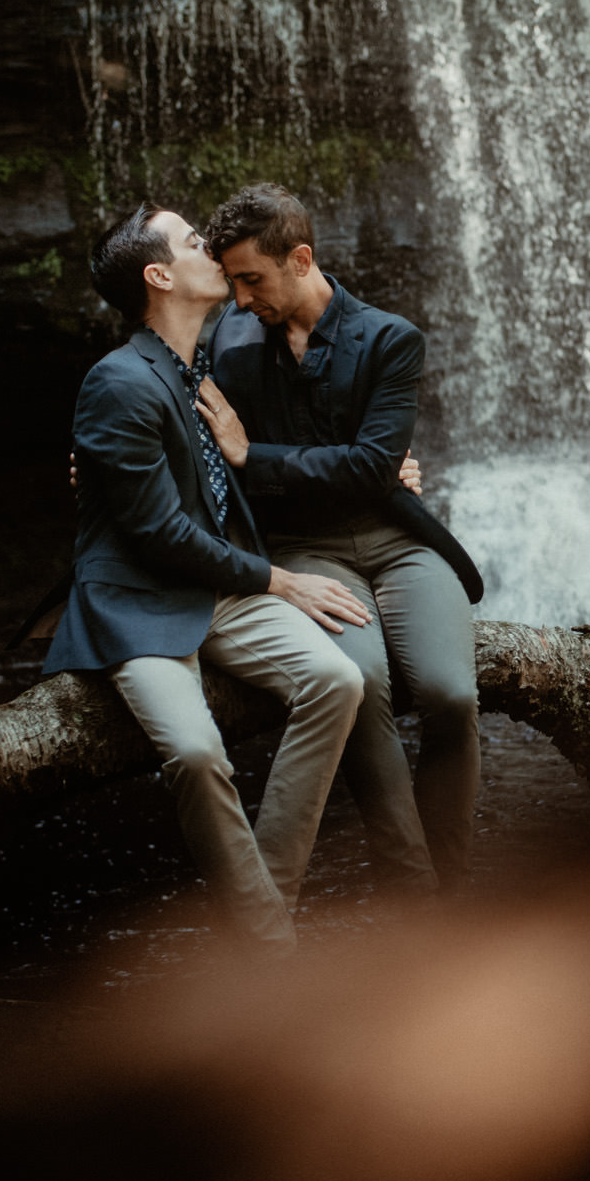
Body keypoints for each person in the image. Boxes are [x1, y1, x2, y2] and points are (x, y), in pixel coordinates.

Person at [43, 203, 374, 951]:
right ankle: (272, 948)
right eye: (196, 243)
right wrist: (281, 581)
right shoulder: (119, 381)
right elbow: (158, 533)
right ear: (160, 275)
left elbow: (295, 442)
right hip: (142, 600)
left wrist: (388, 477)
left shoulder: (207, 363)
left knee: (339, 681)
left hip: (218, 591)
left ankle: (266, 912)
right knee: (196, 752)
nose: (215, 253)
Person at [196, 183, 486, 890]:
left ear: (300, 258)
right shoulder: (225, 350)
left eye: (251, 280)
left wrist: (252, 456)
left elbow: (368, 472)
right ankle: (411, 887)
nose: (238, 299)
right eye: (231, 281)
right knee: (361, 682)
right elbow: (193, 452)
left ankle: (456, 873)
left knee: (451, 693)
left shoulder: (390, 339)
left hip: (398, 541)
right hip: (304, 555)